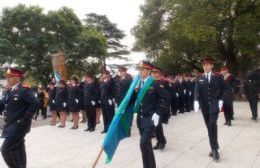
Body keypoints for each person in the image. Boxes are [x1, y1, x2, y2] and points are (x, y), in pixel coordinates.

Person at [134, 61, 170, 168]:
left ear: (149, 71)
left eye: (143, 69)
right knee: (147, 145)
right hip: (140, 119)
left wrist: (158, 113)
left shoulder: (155, 83)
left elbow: (166, 99)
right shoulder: (137, 84)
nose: (141, 71)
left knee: (143, 143)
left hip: (150, 118)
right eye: (139, 69)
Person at [0, 68, 38, 168]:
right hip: (10, 126)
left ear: (17, 78)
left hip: (18, 126)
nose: (7, 79)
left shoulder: (24, 89)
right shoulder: (9, 91)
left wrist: (24, 119)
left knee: (6, 149)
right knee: (18, 148)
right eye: (7, 77)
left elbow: (35, 103)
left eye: (10, 76)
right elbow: (3, 105)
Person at [194, 57, 225, 161]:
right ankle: (213, 147)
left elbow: (225, 89)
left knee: (212, 124)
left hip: (214, 105)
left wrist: (222, 100)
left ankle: (215, 150)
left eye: (208, 64)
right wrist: (195, 100)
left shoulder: (218, 76)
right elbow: (197, 90)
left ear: (212, 65)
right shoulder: (199, 77)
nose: (206, 66)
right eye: (204, 65)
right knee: (209, 127)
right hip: (205, 107)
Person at [151, 66, 170, 150]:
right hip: (151, 109)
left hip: (158, 109)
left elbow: (167, 97)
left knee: (158, 126)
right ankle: (159, 140)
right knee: (154, 127)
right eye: (153, 73)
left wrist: (162, 108)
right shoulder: (150, 83)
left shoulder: (160, 84)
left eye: (157, 73)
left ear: (159, 74)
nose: (155, 74)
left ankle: (162, 141)